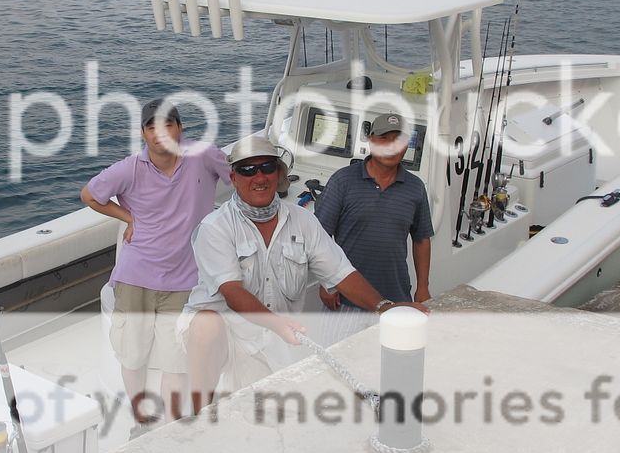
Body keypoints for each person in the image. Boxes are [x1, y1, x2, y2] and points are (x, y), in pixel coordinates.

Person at [181, 135, 429, 413]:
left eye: (267, 167)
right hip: (227, 330)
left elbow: (341, 273)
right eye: (247, 170)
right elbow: (232, 292)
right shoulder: (215, 227)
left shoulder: (304, 221)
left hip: (271, 334)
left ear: (280, 173)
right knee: (206, 324)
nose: (259, 177)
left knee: (266, 416)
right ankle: (197, 418)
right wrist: (277, 325)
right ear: (234, 177)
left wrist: (385, 306)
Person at [82, 99, 231, 429]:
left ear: (180, 129)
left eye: (168, 125)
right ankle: (141, 422)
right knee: (132, 356)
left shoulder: (203, 154)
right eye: (152, 127)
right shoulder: (129, 168)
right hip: (136, 275)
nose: (160, 133)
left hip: (185, 280)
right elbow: (90, 195)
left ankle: (168, 430)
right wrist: (127, 216)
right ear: (142, 134)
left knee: (175, 362)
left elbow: (237, 179)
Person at [314, 111, 433, 337]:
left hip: (397, 299)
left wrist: (423, 286)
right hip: (345, 301)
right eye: (384, 138)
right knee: (335, 368)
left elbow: (421, 239)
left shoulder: (415, 188)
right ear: (370, 140)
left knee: (390, 367)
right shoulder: (342, 181)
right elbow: (317, 237)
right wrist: (326, 282)